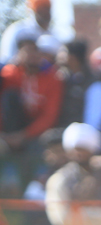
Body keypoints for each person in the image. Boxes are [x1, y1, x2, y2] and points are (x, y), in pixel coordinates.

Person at [0, 31, 62, 189]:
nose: (31, 55)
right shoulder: (9, 73)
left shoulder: (53, 77)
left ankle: (35, 189)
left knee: (40, 150)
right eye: (26, 50)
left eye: (35, 50)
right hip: (10, 129)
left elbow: (49, 116)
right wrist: (6, 135)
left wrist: (23, 136)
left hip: (36, 133)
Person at [0, 0, 57, 66]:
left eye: (46, 8)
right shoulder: (19, 29)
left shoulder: (52, 35)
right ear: (32, 11)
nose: (44, 12)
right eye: (40, 9)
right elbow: (7, 58)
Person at [55, 40, 91, 128]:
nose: (59, 56)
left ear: (72, 57)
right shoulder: (63, 77)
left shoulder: (92, 82)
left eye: (63, 53)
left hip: (79, 130)